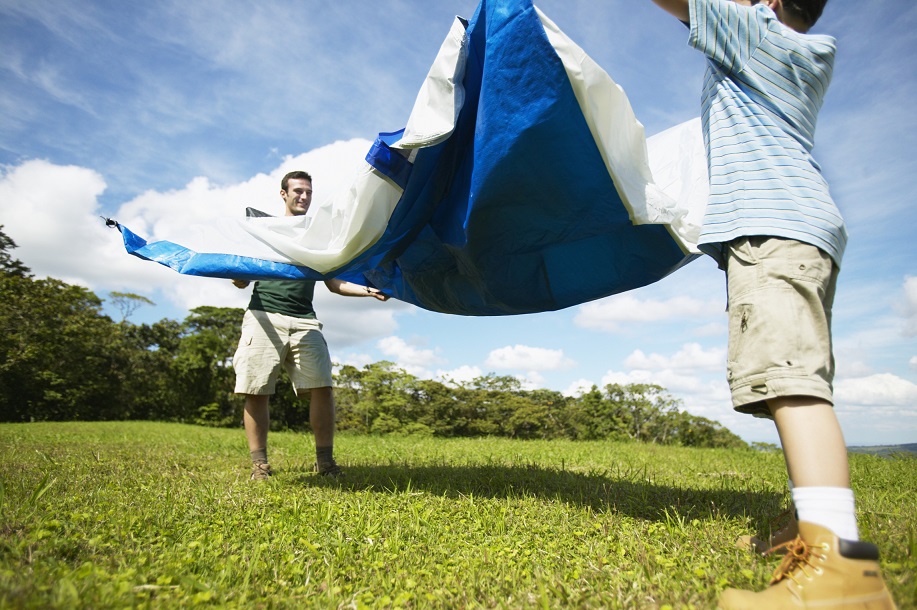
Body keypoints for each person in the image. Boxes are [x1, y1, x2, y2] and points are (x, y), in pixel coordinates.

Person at [647, 0, 897, 608]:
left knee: (792, 386)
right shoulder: (777, 46)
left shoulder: (757, 33)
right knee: (791, 380)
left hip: (777, 232)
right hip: (797, 231)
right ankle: (805, 528)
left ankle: (842, 569)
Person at [231, 170, 389, 481]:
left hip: (305, 320)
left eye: (308, 193)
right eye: (298, 191)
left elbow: (333, 283)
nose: (303, 197)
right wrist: (239, 266)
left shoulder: (315, 237)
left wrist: (368, 290)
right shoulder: (265, 231)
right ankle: (260, 466)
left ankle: (325, 463)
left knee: (323, 388)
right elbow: (240, 279)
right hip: (263, 317)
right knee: (256, 390)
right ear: (283, 194)